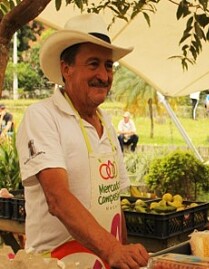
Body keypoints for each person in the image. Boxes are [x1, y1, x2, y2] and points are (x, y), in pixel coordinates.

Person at [16, 14, 149, 268]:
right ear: (66, 68)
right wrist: (112, 249)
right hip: (56, 263)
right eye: (93, 64)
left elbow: (114, 206)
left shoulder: (107, 123)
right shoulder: (42, 117)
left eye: (108, 66)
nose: (103, 75)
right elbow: (57, 198)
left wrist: (122, 251)